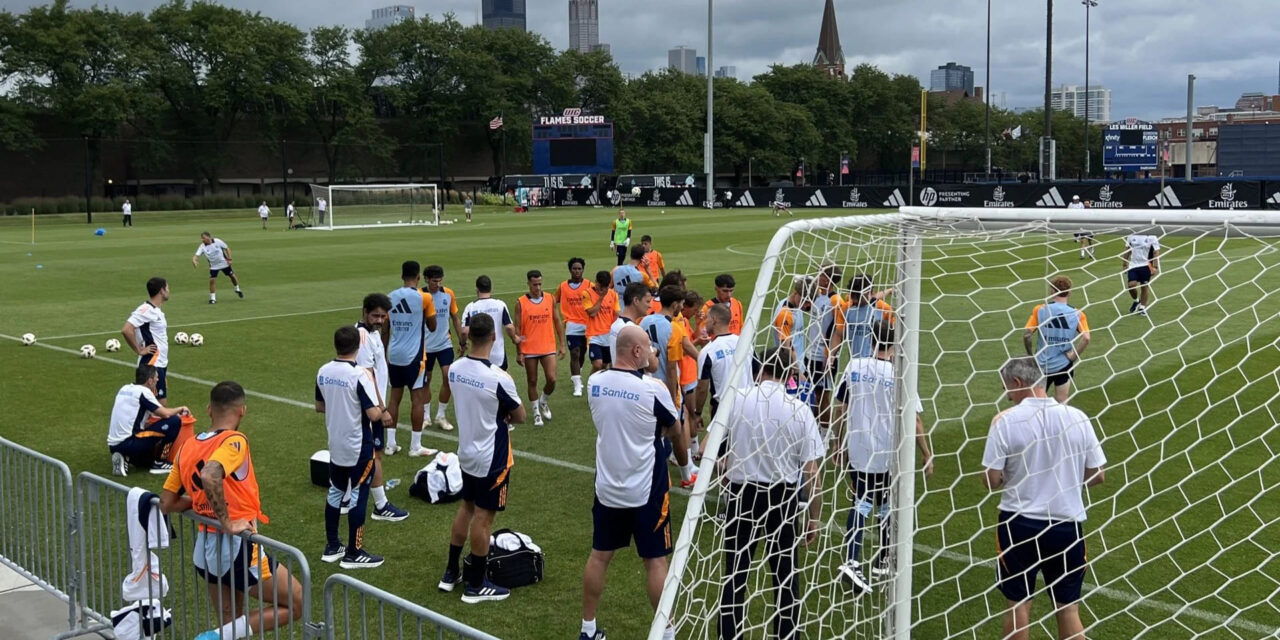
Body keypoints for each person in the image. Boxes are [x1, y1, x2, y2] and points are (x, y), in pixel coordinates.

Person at [159, 381, 304, 640]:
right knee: (296, 603)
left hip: (205, 549)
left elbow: (167, 502)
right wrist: (227, 521)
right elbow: (210, 474)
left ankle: (217, 636)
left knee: (232, 622)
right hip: (237, 548)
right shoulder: (234, 441)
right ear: (242, 411)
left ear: (208, 410)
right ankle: (212, 637)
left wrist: (200, 503)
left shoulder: (187, 447)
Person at [983, 356, 1106, 640]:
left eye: (1007, 389)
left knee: (1018, 605)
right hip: (1066, 526)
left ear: (1017, 383)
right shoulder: (1077, 417)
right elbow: (1098, 475)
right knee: (1067, 608)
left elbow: (992, 479)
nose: (1008, 396)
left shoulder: (1005, 420)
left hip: (1019, 524)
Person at [580, 326, 685, 640]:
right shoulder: (652, 389)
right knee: (655, 561)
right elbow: (675, 429)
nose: (653, 354)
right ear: (636, 352)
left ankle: (587, 628)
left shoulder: (594, 382)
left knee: (600, 555)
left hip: (608, 486)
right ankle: (666, 633)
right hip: (646, 486)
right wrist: (679, 454)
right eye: (649, 349)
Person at [719, 347, 824, 640]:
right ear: (790, 374)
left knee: (735, 575)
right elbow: (812, 473)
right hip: (783, 498)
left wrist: (725, 475)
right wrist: (813, 517)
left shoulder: (737, 399)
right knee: (785, 577)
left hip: (742, 497)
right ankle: (786, 636)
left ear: (759, 369)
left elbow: (709, 452)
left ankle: (729, 636)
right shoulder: (800, 410)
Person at [834, 321, 933, 594]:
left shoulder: (854, 366)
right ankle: (882, 558)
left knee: (861, 501)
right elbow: (914, 421)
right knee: (887, 504)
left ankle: (853, 560)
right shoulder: (899, 374)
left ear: (872, 339)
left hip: (859, 448)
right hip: (890, 453)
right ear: (896, 343)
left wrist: (836, 442)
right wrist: (926, 453)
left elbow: (840, 408)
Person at [438, 313, 526, 603]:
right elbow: (520, 416)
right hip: (492, 456)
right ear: (493, 337)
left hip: (466, 452)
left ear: (468, 336)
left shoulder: (454, 369)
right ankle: (476, 584)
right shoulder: (498, 377)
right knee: (484, 519)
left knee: (466, 507)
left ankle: (451, 573)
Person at [316, 326, 388, 569]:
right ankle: (354, 552)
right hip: (359, 444)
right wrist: (381, 408)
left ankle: (332, 545)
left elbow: (319, 406)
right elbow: (373, 413)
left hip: (335, 443)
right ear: (358, 346)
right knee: (358, 495)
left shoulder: (323, 371)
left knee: (336, 492)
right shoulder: (359, 375)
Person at [355, 294, 409, 522]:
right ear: (364, 312)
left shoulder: (374, 333)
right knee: (375, 455)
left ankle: (349, 497)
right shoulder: (363, 336)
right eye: (375, 315)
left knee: (363, 454)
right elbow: (368, 375)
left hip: (371, 405)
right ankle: (380, 505)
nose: (379, 320)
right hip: (371, 407)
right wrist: (382, 407)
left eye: (383, 316)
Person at [640, 285, 700, 489]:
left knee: (651, 432)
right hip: (664, 388)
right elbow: (672, 368)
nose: (682, 308)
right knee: (675, 431)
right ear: (675, 304)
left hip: (645, 385)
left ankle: (648, 473)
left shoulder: (645, 320)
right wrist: (674, 396)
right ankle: (686, 475)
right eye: (681, 304)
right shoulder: (674, 328)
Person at [383, 261, 439, 458]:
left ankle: (390, 444)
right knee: (417, 398)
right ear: (418, 277)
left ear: (402, 276)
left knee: (394, 398)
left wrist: (384, 354)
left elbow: (385, 329)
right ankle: (415, 446)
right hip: (414, 356)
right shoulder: (424, 297)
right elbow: (433, 326)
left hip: (394, 354)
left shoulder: (390, 297)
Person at [108, 364, 191, 476]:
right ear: (150, 381)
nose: (158, 379)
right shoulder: (143, 392)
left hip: (114, 444)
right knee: (174, 421)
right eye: (156, 377)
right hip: (130, 441)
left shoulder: (124, 388)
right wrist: (181, 408)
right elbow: (165, 414)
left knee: (146, 461)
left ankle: (124, 457)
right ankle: (161, 462)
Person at [1024, 276, 1091, 404]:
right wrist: (1073, 356)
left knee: (1035, 403)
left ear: (1052, 291)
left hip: (1042, 364)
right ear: (1069, 292)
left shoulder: (1040, 309)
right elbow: (1086, 338)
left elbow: (1027, 334)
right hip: (1063, 364)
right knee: (1062, 402)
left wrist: (1030, 355)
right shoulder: (1077, 314)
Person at [513, 270, 564, 427]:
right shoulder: (520, 303)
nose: (538, 287)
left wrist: (562, 344)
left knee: (552, 378)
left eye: (540, 284)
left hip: (548, 345)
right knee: (532, 380)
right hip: (529, 348)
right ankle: (536, 413)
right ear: (528, 284)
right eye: (535, 284)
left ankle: (544, 400)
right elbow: (517, 328)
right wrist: (519, 351)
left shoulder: (550, 298)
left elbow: (557, 321)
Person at [422, 265, 463, 432]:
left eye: (439, 281)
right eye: (434, 281)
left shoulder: (448, 293)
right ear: (426, 279)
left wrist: (462, 339)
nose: (437, 284)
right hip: (425, 346)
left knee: (448, 377)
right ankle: (425, 416)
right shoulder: (420, 296)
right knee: (426, 380)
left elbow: (454, 317)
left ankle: (441, 415)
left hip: (444, 343)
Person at [121, 277, 171, 403]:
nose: (169, 291)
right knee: (159, 406)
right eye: (167, 287)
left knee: (157, 405)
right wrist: (139, 350)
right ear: (162, 291)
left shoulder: (155, 310)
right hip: (152, 363)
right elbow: (126, 330)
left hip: (160, 362)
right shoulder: (145, 310)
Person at [695, 304, 746, 421]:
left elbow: (702, 388)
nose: (705, 321)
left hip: (724, 409)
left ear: (714, 320)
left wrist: (697, 413)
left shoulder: (708, 351)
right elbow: (756, 373)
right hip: (748, 405)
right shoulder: (744, 343)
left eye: (707, 318)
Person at [460, 275, 520, 371]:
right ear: (491, 288)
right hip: (498, 355)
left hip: (478, 355)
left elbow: (464, 332)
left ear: (477, 289)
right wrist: (514, 338)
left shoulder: (470, 307)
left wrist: (462, 345)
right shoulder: (500, 304)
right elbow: (509, 327)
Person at [555, 258, 593, 397]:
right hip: (571, 324)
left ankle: (578, 373)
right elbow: (554, 300)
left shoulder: (589, 285)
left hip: (588, 324)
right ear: (570, 270)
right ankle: (577, 386)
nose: (577, 271)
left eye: (579, 268)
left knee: (582, 352)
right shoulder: (563, 286)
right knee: (575, 353)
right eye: (574, 268)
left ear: (583, 269)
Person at [837, 274, 895, 359]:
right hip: (855, 362)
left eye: (858, 295)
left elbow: (893, 337)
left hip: (877, 362)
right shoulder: (847, 308)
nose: (855, 299)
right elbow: (838, 335)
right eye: (853, 294)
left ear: (869, 292)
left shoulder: (883, 309)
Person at [608, 282, 658, 374]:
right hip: (636, 382)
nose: (650, 306)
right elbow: (653, 366)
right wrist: (654, 351)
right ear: (636, 300)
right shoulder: (634, 331)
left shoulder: (615, 325)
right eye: (647, 301)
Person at [192, 232, 244, 304]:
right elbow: (196, 256)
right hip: (214, 266)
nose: (202, 240)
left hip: (224, 263)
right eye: (202, 238)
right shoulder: (202, 246)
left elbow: (227, 249)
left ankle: (237, 289)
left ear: (209, 237)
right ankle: (213, 299)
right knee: (212, 280)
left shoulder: (217, 241)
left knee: (232, 276)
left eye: (203, 238)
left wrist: (229, 258)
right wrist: (194, 261)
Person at [585, 270, 619, 376]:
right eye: (601, 286)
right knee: (597, 364)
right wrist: (601, 297)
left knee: (604, 365)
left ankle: (597, 384)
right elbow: (592, 313)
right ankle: (591, 384)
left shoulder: (613, 294)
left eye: (606, 286)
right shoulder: (587, 293)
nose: (603, 289)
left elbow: (616, 313)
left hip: (608, 335)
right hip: (594, 335)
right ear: (596, 282)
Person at [1122, 231, 1160, 316]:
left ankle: (1142, 308)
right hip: (1133, 265)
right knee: (1131, 285)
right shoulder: (1131, 236)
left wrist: (1155, 267)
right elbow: (1127, 250)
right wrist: (1124, 264)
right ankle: (1136, 300)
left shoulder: (1152, 236)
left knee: (1144, 287)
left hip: (1146, 265)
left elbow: (1156, 252)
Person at [612, 245, 653, 311]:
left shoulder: (615, 270)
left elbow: (608, 289)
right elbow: (656, 289)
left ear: (630, 255)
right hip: (632, 313)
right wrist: (648, 270)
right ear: (642, 258)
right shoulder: (642, 275)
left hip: (617, 310)